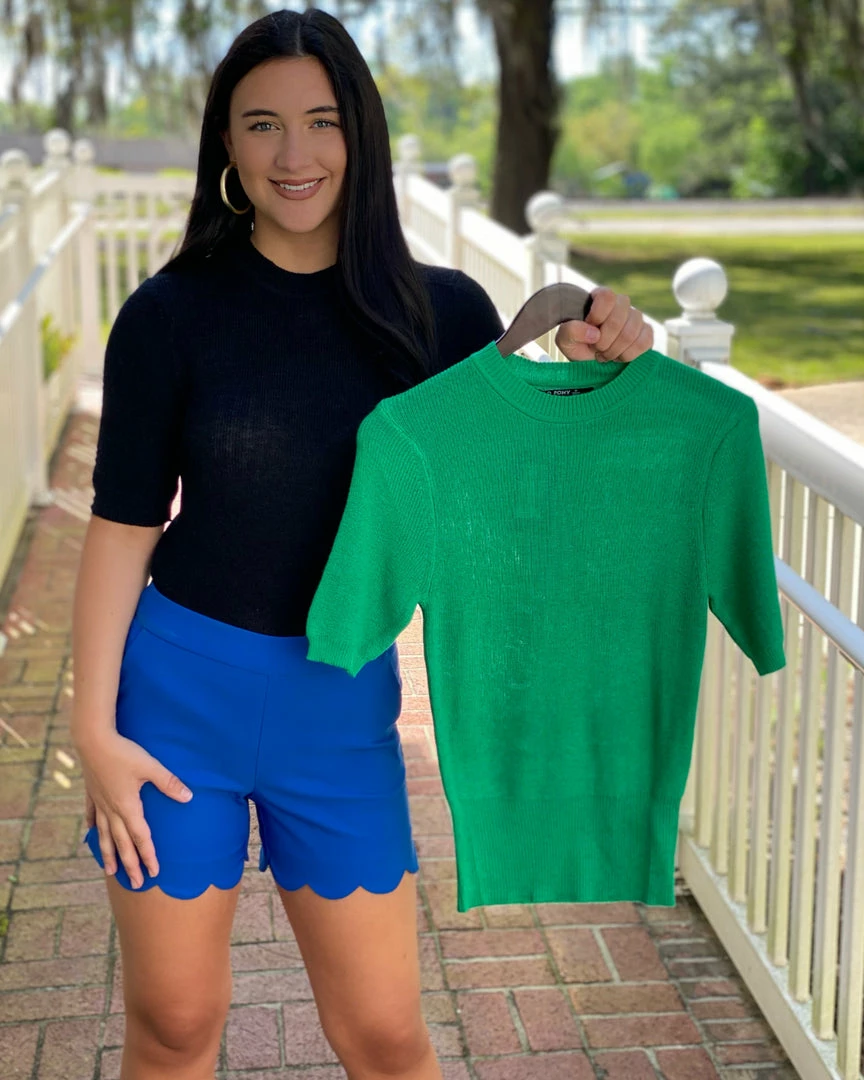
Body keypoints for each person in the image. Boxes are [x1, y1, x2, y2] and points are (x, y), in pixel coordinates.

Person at [71, 8, 653, 1079]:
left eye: (322, 121)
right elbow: (123, 524)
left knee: (385, 1036)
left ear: (362, 132)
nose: (294, 154)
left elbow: (517, 503)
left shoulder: (442, 314)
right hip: (175, 701)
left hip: (337, 709)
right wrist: (92, 729)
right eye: (262, 124)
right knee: (174, 1025)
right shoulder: (169, 314)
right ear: (227, 142)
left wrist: (595, 359)